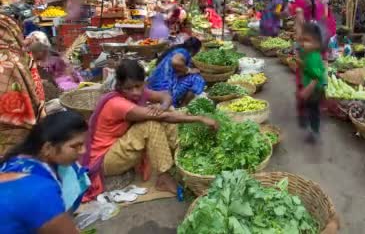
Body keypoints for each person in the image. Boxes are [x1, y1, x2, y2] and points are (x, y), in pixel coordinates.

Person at [82, 59, 219, 200]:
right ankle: (163, 177)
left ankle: (179, 152)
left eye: (138, 86)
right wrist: (200, 118)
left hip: (119, 146)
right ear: (120, 87)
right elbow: (163, 117)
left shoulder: (139, 92)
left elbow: (165, 95)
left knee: (167, 110)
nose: (135, 92)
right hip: (106, 159)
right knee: (151, 124)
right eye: (128, 88)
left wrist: (163, 106)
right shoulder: (117, 103)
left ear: (144, 83)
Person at [0, 111, 88, 234]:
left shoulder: (15, 161)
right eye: (75, 146)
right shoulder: (40, 190)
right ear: (48, 148)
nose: (83, 151)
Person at [147, 37, 205, 107]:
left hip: (151, 87)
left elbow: (177, 71)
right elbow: (176, 62)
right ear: (195, 50)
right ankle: (182, 106)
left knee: (190, 77)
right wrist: (189, 70)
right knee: (198, 79)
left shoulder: (176, 50)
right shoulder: (184, 52)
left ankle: (178, 103)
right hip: (164, 90)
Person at [297, 22, 327, 143]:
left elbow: (317, 76)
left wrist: (308, 89)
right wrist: (302, 63)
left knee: (313, 110)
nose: (303, 43)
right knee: (311, 108)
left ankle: (314, 131)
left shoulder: (314, 57)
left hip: (314, 90)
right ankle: (311, 125)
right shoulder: (310, 54)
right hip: (312, 88)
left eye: (307, 40)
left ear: (318, 43)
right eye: (303, 40)